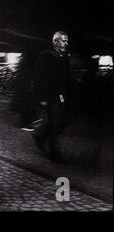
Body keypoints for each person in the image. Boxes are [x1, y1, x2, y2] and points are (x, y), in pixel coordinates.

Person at [32, 31, 70, 162]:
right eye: (63, 40)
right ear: (55, 41)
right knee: (55, 125)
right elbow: (39, 77)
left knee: (59, 122)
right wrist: (42, 98)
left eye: (67, 41)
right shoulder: (46, 55)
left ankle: (40, 136)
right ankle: (54, 154)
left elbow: (66, 77)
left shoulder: (64, 57)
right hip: (49, 96)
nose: (66, 43)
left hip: (60, 95)